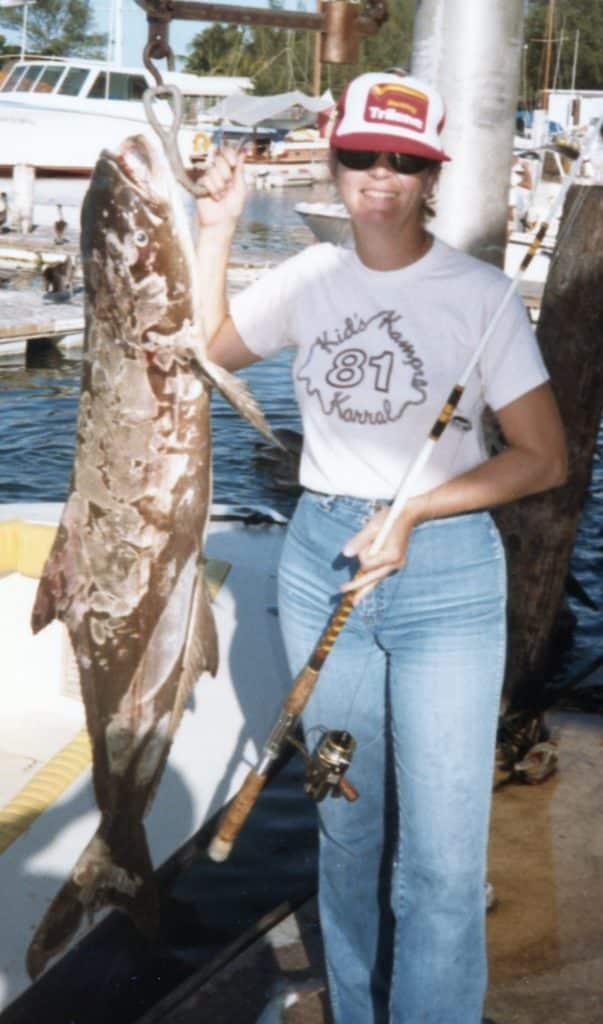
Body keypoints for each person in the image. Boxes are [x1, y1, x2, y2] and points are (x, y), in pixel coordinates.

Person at [195, 71, 567, 1024]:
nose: (380, 176)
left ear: (429, 174)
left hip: (445, 580)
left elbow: (541, 458)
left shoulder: (480, 294)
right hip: (325, 567)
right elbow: (212, 348)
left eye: (405, 160)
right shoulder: (311, 279)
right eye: (363, 154)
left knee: (441, 861)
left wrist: (415, 511)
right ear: (335, 156)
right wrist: (219, 224)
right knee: (345, 822)